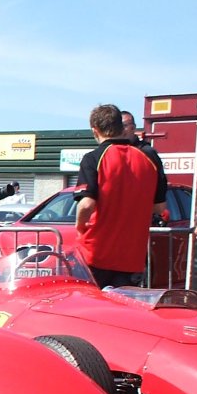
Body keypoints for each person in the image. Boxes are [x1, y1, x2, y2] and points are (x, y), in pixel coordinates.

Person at [74, 103, 168, 288]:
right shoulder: (148, 160)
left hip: (96, 253)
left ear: (95, 130)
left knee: (91, 303)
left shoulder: (93, 158)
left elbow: (86, 204)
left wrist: (80, 226)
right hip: (132, 256)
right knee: (123, 305)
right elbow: (159, 207)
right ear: (120, 127)